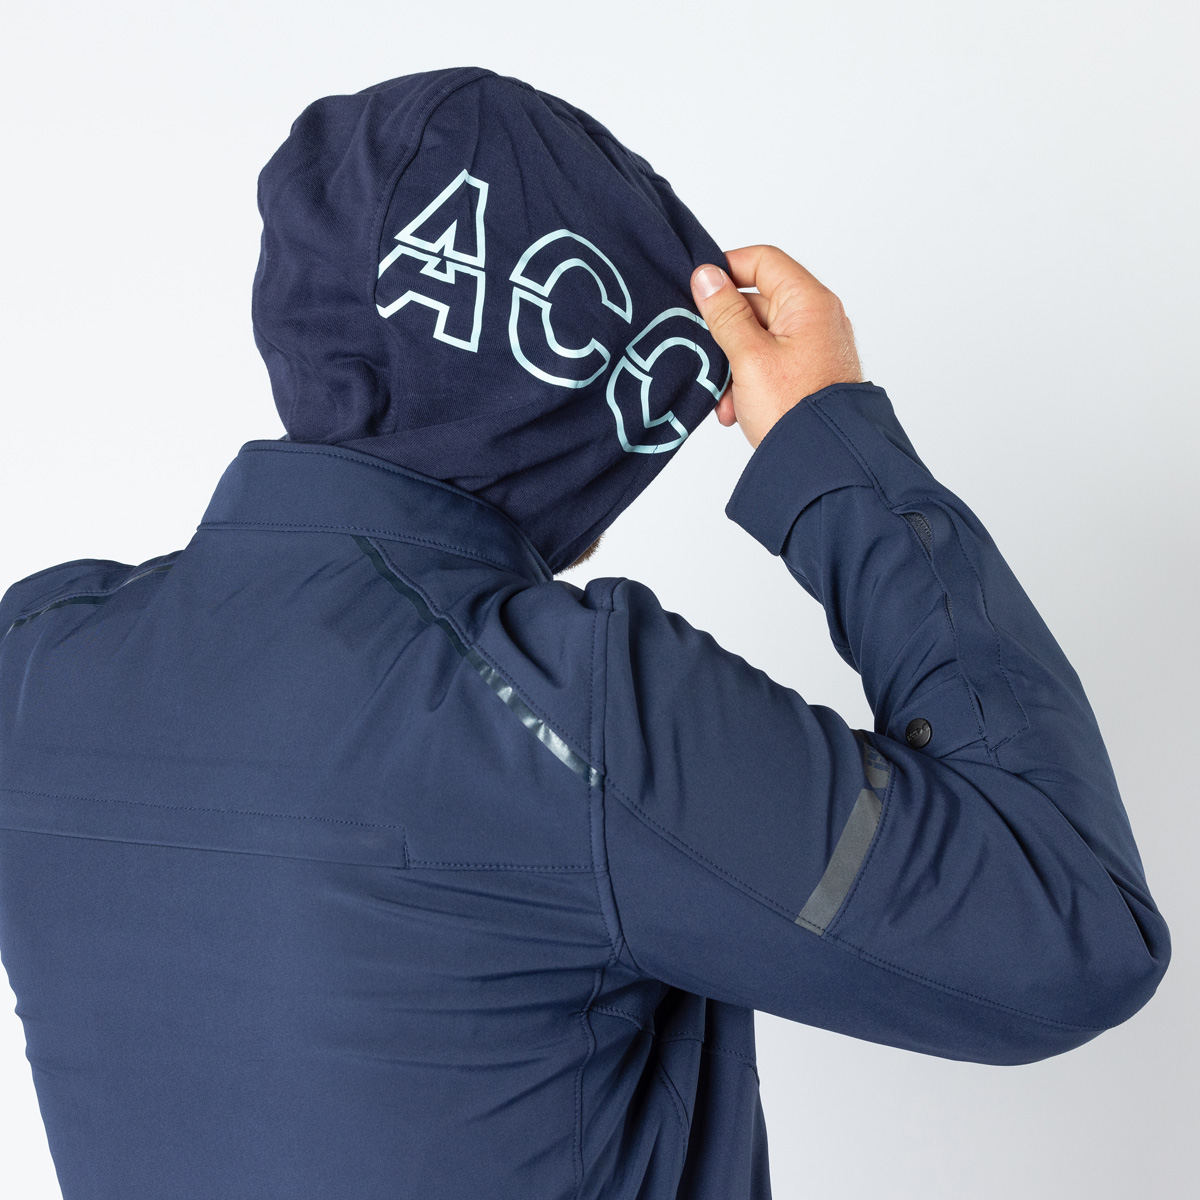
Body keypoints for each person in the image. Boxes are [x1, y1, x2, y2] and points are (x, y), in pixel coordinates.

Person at [0, 66, 1169, 1200]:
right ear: (593, 388)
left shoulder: (37, 657)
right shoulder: (570, 709)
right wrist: (828, 439)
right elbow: (1075, 928)